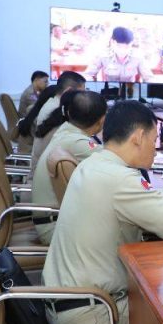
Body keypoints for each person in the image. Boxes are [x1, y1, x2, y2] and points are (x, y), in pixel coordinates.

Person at [41, 101, 163, 324]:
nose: (155, 149)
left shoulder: (95, 164)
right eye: (154, 140)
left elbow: (145, 199)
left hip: (69, 304)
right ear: (138, 137)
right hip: (94, 314)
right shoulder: (119, 179)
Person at [31, 90, 107, 244]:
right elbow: (117, 160)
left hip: (54, 219)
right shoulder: (76, 142)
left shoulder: (66, 131)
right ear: (102, 120)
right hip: (54, 227)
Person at [23, 71, 87, 175]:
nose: (83, 98)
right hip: (46, 174)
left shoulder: (53, 103)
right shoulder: (58, 111)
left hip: (43, 170)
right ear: (68, 91)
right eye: (81, 94)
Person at [84, 26, 153, 83]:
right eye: (119, 46)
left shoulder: (138, 57)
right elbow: (88, 75)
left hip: (130, 90)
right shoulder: (102, 55)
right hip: (109, 90)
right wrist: (93, 87)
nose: (122, 51)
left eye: (127, 47)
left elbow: (149, 78)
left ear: (131, 44)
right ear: (112, 42)